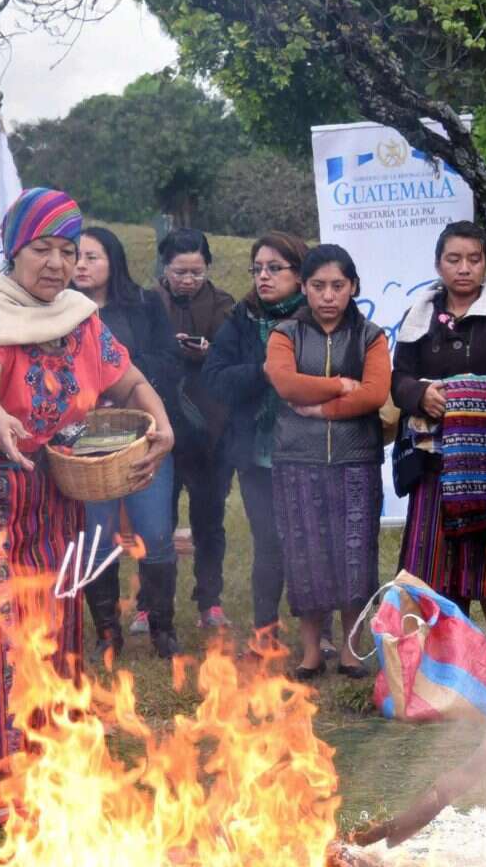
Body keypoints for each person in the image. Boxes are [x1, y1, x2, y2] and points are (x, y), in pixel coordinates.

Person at [0, 188, 173, 770]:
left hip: (56, 493)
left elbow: (129, 380)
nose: (56, 264)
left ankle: (54, 764)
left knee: (54, 626)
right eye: (42, 249)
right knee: (2, 632)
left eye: (67, 250)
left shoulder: (77, 317)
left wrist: (162, 421)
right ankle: (7, 774)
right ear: (14, 249)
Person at [392, 222, 486, 657]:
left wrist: (456, 397)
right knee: (430, 556)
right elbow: (398, 378)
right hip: (433, 458)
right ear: (438, 264)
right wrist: (421, 394)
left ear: (485, 264)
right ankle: (436, 650)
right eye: (454, 259)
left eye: (474, 259)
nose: (464, 268)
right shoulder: (420, 313)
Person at [264, 244, 392, 679]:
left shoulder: (370, 335)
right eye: (317, 286)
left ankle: (352, 649)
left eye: (338, 286)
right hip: (297, 456)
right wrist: (340, 384)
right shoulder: (285, 332)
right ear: (303, 287)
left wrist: (323, 407)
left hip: (356, 457)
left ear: (353, 287)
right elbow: (285, 383)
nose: (328, 296)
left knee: (355, 553)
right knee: (306, 552)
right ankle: (311, 651)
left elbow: (375, 393)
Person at [68, 226, 183, 660]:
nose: (81, 263)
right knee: (96, 536)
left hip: (141, 433)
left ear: (113, 261)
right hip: (84, 441)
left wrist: (117, 376)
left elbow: (167, 362)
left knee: (155, 531)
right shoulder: (58, 310)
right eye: (76, 255)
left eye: (92, 256)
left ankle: (162, 630)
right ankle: (106, 633)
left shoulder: (144, 304)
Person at [203, 232, 312, 646]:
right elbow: (215, 377)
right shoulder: (243, 319)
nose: (263, 277)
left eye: (274, 268)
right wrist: (262, 372)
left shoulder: (317, 315)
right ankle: (265, 631)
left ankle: (316, 632)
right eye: (258, 269)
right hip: (256, 452)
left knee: (309, 542)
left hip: (310, 448)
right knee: (269, 542)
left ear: (299, 274)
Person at [156, 228, 237, 631]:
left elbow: (234, 356)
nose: (188, 280)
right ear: (164, 267)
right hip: (159, 429)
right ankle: (150, 603)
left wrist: (210, 352)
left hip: (210, 432)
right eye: (180, 272)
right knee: (157, 521)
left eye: (196, 272)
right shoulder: (147, 303)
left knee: (209, 520)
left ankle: (211, 601)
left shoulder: (224, 305)